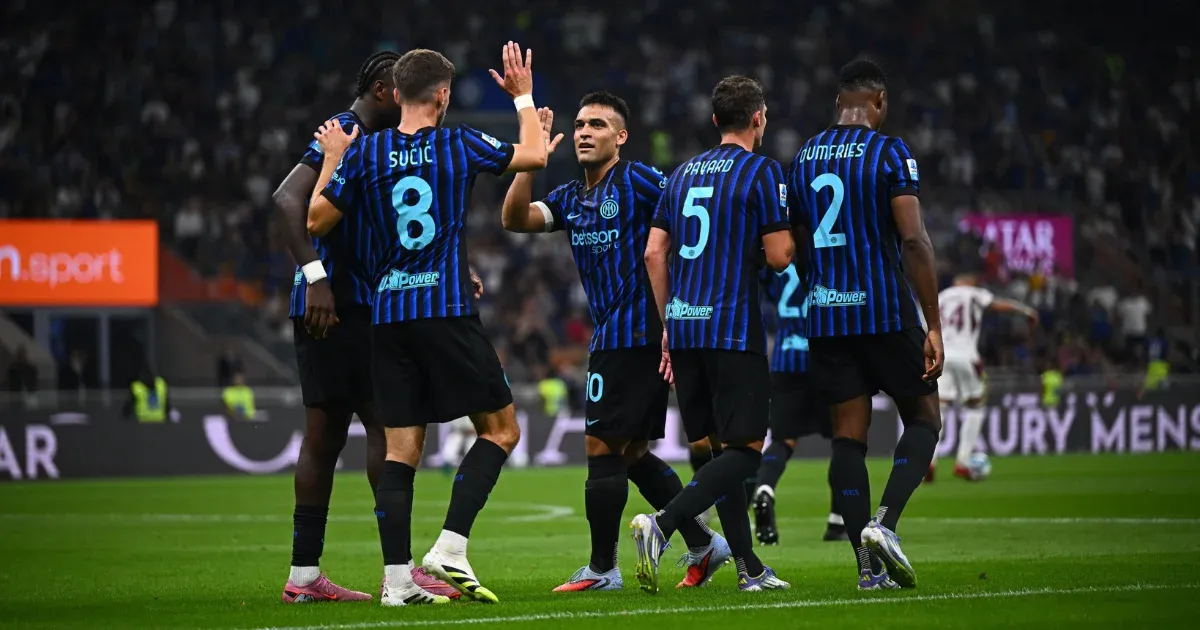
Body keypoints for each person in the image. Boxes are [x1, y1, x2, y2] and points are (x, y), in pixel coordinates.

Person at [307, 43, 549, 606]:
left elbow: (316, 218)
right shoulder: (457, 143)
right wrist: (524, 97)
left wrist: (333, 155)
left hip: (387, 316)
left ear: (397, 93)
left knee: (400, 450)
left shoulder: (366, 154)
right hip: (443, 310)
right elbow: (534, 156)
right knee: (502, 429)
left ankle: (395, 582)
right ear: (442, 95)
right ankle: (450, 547)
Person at [500, 91, 730, 592]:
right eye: (580, 124)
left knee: (601, 446)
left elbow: (693, 227)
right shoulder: (568, 198)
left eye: (598, 125)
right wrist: (530, 155)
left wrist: (681, 312)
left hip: (642, 334)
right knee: (629, 453)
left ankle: (603, 569)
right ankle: (703, 542)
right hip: (613, 334)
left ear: (620, 137)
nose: (584, 132)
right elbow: (514, 219)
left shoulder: (643, 181)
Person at [273, 50, 453, 604]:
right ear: (384, 89)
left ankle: (306, 577)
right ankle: (397, 571)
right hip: (341, 304)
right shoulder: (347, 130)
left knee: (328, 436)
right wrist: (317, 275)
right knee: (385, 428)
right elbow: (286, 200)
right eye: (404, 86)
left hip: (348, 304)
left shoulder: (379, 146)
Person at [631, 75, 793, 594]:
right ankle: (662, 525)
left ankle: (749, 568)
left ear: (715, 119)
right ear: (758, 118)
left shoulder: (678, 176)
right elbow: (780, 255)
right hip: (732, 330)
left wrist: (667, 324)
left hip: (683, 328)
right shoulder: (762, 171)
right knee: (745, 452)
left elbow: (654, 253)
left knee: (714, 452)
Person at [788, 59, 943, 590]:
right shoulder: (890, 151)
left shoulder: (804, 156)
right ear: (878, 101)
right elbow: (915, 242)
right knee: (924, 418)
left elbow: (796, 244)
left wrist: (822, 285)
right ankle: (885, 525)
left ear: (839, 102)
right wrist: (934, 324)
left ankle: (865, 567)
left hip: (827, 315)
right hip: (883, 311)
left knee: (848, 441)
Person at [750, 262, 846, 545]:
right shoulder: (824, 254)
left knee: (782, 440)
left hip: (785, 359)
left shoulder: (775, 264)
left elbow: (764, 289)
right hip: (826, 358)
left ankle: (765, 488)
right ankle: (837, 521)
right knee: (845, 440)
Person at [931, 273, 1037, 481]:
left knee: (939, 409)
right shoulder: (974, 293)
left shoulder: (941, 296)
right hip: (967, 356)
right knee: (976, 406)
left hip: (942, 356)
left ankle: (930, 461)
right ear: (970, 282)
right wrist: (1026, 311)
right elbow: (998, 305)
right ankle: (962, 462)